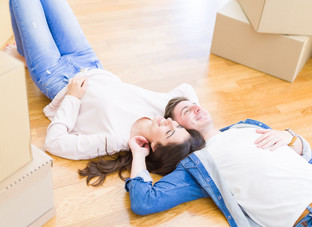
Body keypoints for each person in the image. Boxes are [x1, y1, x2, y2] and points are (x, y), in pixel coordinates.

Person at [8, 0, 204, 185]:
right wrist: (198, 129)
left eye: (169, 131)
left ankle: (29, 57)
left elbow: (54, 143)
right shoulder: (158, 112)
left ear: (153, 147)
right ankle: (26, 55)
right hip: (87, 60)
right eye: (178, 126)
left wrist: (72, 98)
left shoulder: (115, 140)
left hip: (55, 75)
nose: (170, 121)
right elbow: (186, 89)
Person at [125, 96, 312, 227]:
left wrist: (290, 137)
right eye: (186, 112)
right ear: (184, 131)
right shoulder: (197, 166)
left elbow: (305, 156)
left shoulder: (246, 126)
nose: (196, 108)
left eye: (194, 104)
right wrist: (138, 154)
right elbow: (145, 201)